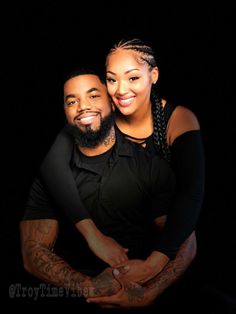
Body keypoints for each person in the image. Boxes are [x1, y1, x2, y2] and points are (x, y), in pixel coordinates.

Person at [20, 70, 196, 310]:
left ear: (112, 104)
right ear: (65, 112)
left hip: (147, 288)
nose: (82, 106)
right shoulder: (50, 175)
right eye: (72, 101)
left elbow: (185, 240)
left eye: (93, 96)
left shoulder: (149, 165)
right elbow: (33, 252)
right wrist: (92, 287)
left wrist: (148, 293)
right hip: (78, 292)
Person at [39, 38, 205, 274]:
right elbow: (52, 165)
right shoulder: (101, 117)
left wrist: (153, 265)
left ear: (153, 75)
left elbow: (191, 193)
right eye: (111, 79)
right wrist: (93, 235)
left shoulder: (179, 120)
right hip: (114, 240)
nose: (120, 89)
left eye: (133, 77)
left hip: (175, 238)